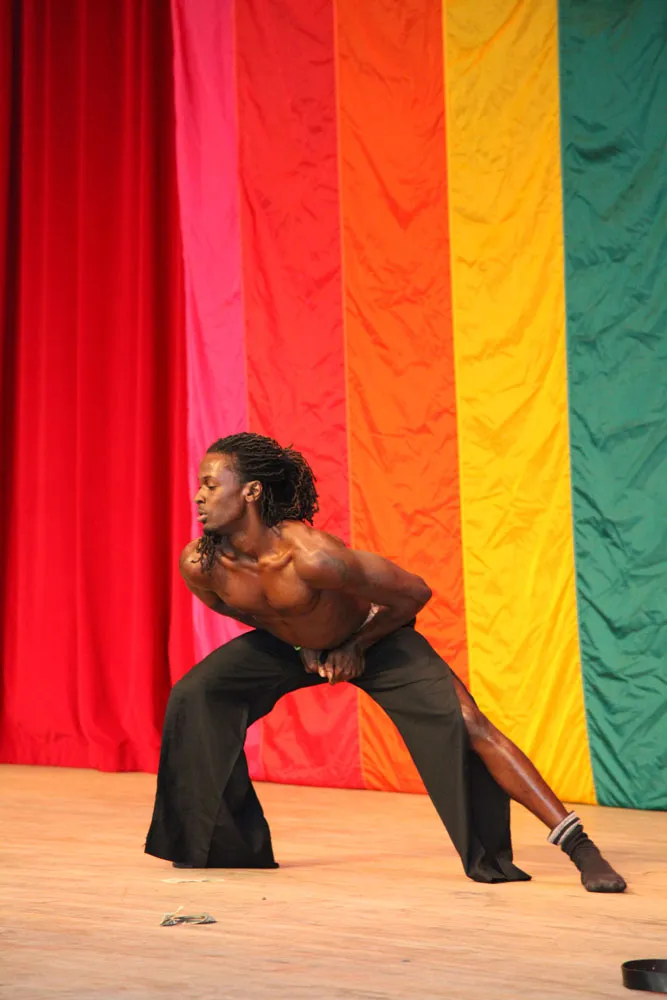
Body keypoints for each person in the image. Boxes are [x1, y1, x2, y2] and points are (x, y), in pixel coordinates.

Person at [145, 433, 626, 892]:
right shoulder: (202, 566)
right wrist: (296, 646)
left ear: (251, 491)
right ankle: (224, 846)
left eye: (211, 484)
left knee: (465, 723)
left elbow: (415, 593)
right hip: (295, 650)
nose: (198, 496)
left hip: (376, 640)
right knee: (198, 694)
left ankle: (580, 848)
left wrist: (355, 645)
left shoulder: (314, 558)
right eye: (200, 485)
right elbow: (250, 613)